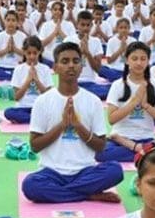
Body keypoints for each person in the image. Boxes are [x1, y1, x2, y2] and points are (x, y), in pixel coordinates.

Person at [21, 42, 123, 203]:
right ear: (55, 67)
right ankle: (88, 194)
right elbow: (35, 146)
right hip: (52, 172)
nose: (71, 66)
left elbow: (101, 146)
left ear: (82, 66)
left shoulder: (93, 101)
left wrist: (78, 126)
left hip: (85, 172)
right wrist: (62, 125)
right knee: (30, 185)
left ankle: (66, 193)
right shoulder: (43, 101)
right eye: (65, 61)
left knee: (115, 170)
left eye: (76, 61)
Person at [95, 42, 155, 163]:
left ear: (148, 61)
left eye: (143, 59)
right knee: (100, 153)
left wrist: (146, 106)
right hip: (120, 140)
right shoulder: (118, 85)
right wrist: (134, 102)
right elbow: (111, 119)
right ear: (127, 60)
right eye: (134, 59)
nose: (139, 63)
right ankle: (147, 154)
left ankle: (143, 151)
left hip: (146, 140)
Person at [5, 36, 52, 124]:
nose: (32, 56)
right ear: (23, 52)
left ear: (40, 51)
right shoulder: (18, 69)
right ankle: (37, 121)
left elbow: (48, 97)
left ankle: (35, 120)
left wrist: (36, 80)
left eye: (35, 53)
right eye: (29, 53)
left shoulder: (45, 69)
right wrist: (28, 80)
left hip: (40, 108)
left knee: (54, 112)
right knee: (8, 112)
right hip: (22, 108)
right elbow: (16, 97)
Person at [0, 11, 26, 81]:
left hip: (17, 67)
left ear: (17, 23)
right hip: (2, 67)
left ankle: (12, 76)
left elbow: (27, 54)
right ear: (4, 22)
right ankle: (13, 77)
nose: (10, 23)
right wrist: (6, 50)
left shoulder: (22, 36)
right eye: (8, 20)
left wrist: (15, 49)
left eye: (13, 20)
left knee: (25, 71)